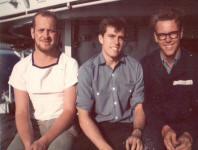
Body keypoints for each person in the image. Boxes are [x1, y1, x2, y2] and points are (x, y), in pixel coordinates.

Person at [7, 10, 78, 150]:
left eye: (50, 31)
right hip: (31, 125)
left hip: (61, 126)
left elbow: (69, 111)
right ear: (33, 33)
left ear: (57, 34)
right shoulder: (20, 68)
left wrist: (43, 141)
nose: (46, 35)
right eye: (41, 30)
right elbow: (22, 112)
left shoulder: (69, 64)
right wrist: (28, 144)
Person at [76, 17, 145, 150]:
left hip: (127, 127)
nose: (116, 42)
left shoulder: (135, 67)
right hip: (96, 128)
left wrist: (137, 132)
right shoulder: (87, 70)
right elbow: (83, 117)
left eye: (120, 37)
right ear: (101, 38)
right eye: (111, 36)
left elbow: (139, 107)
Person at [141, 8, 198, 150]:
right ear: (155, 37)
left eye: (172, 34)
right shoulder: (145, 65)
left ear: (181, 33)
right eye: (162, 35)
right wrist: (164, 129)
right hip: (157, 129)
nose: (167, 39)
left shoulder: (196, 64)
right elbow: (147, 106)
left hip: (193, 128)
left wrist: (189, 134)